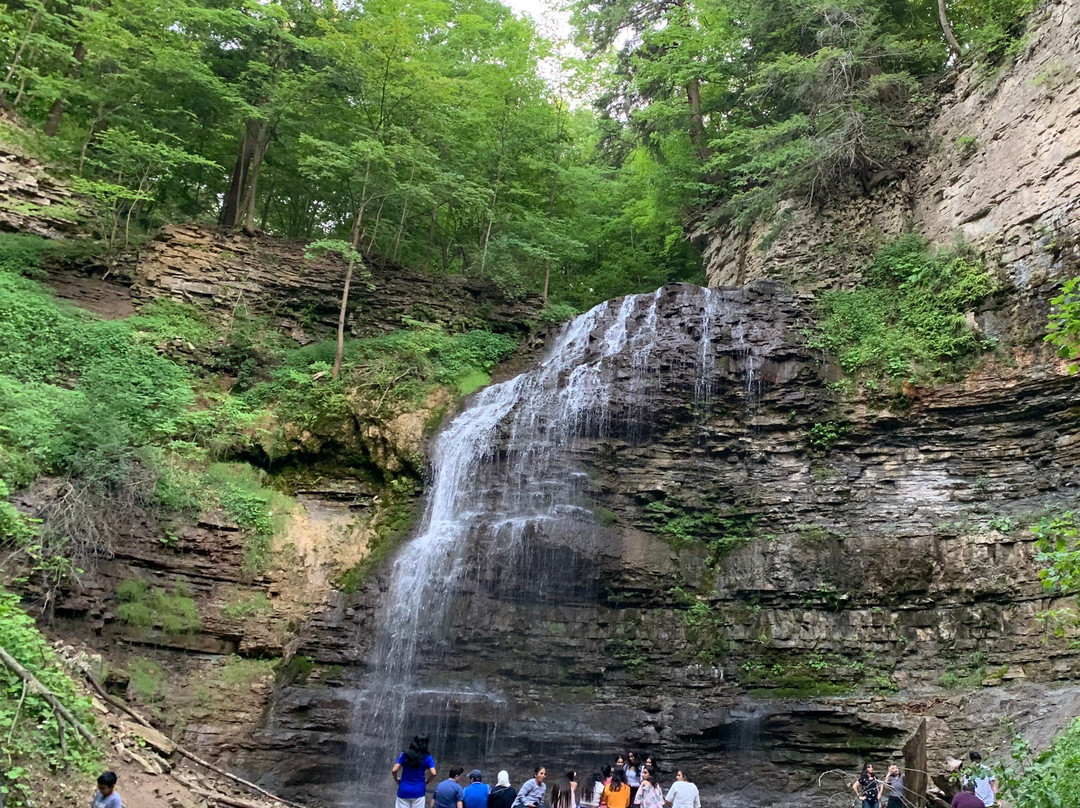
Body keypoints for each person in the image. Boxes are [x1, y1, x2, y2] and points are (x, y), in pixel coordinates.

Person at [394, 736, 438, 808]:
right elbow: (433, 773)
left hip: (403, 790)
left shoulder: (405, 755)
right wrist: (427, 781)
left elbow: (394, 770)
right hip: (419, 791)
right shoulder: (427, 757)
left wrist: (396, 779)